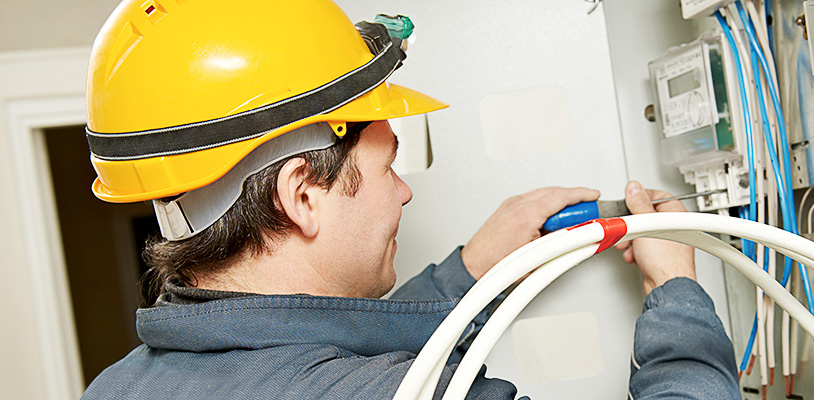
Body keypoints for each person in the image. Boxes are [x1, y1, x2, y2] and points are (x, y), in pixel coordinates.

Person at [81, 0, 739, 398]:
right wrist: (675, 294)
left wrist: (473, 273)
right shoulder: (402, 395)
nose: (404, 194)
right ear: (302, 194)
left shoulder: (113, 391)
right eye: (389, 166)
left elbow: (306, 346)